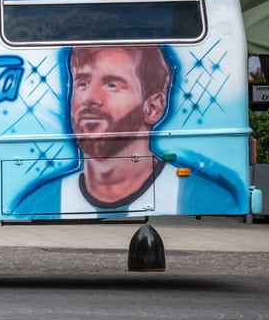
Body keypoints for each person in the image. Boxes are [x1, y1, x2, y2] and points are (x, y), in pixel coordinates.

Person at [14, 45, 240, 215]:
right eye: (82, 83)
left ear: (153, 107)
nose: (90, 98)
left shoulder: (202, 197)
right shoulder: (38, 203)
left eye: (111, 85)